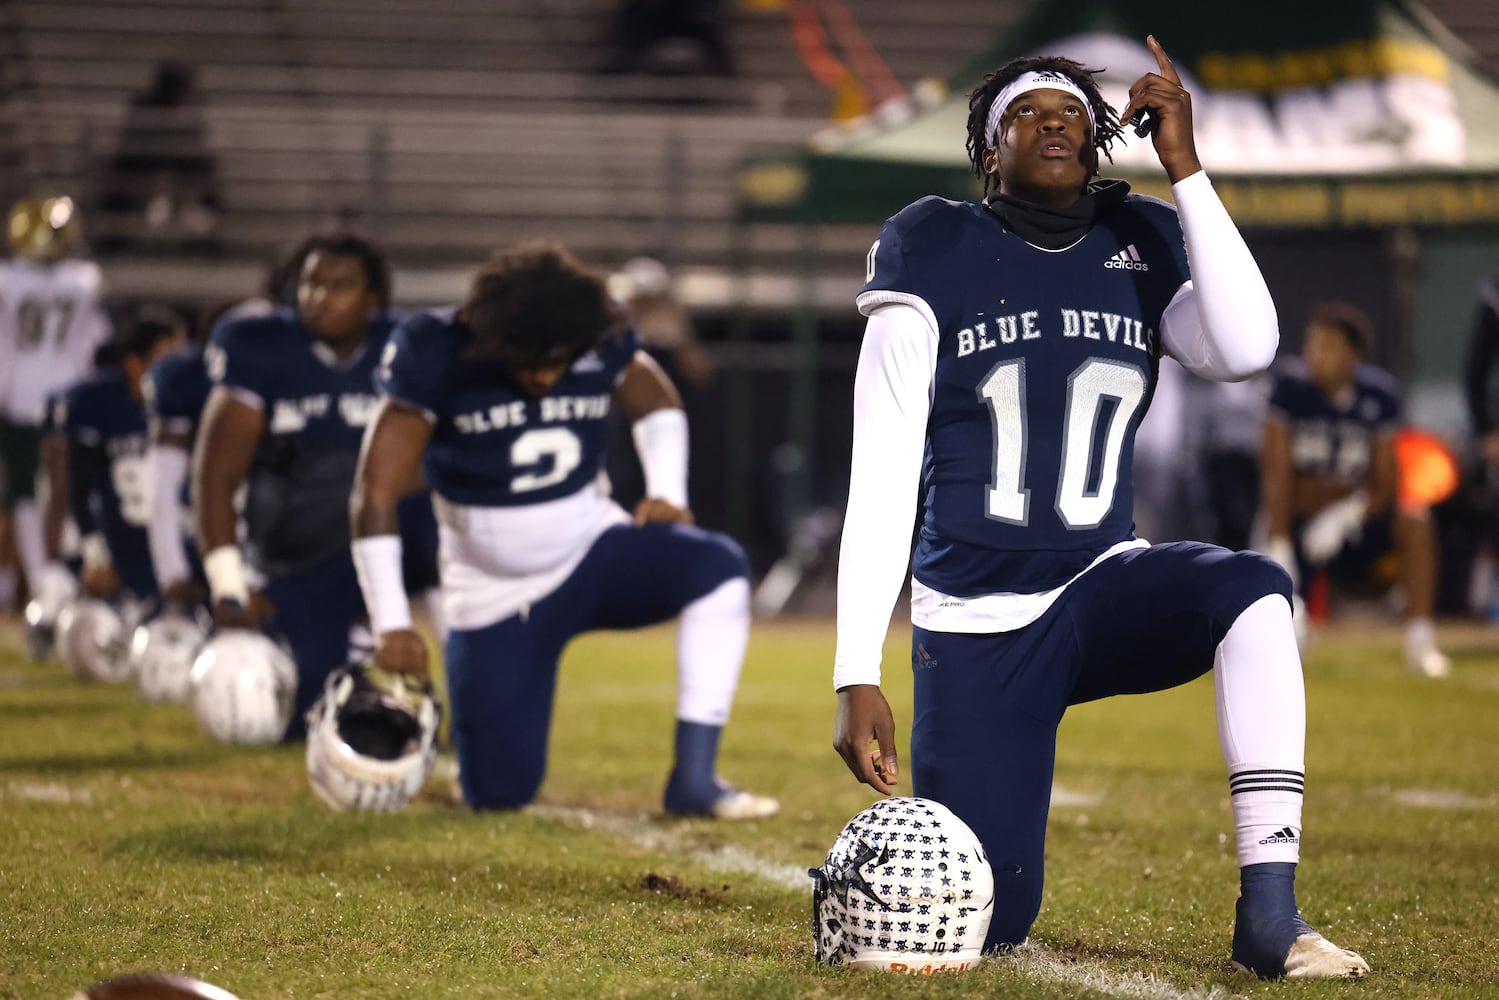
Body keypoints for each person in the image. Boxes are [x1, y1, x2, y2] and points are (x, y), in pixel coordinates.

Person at [829, 39, 1369, 979]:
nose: (1052, 123)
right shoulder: (933, 241)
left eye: (1072, 113)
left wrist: (1188, 170)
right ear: (987, 150)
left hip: (1097, 580)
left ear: (1098, 138)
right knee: (989, 921)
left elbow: (1246, 345)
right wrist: (853, 668)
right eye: (1024, 115)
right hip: (976, 622)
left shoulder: (1144, 235)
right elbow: (878, 470)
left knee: (1251, 592)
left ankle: (1271, 916)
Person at [349, 240, 777, 820]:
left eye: (559, 359)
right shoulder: (436, 348)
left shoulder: (601, 333)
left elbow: (653, 398)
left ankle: (695, 779)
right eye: (531, 360)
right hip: (491, 593)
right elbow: (374, 493)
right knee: (498, 796)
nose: (546, 376)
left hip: (590, 551)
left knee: (719, 567)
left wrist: (667, 491)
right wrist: (393, 622)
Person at [193, 232, 428, 740]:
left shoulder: (409, 347)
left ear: (375, 300)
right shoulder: (260, 346)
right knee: (313, 713)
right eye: (311, 283)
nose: (320, 297)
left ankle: (458, 677)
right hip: (301, 551)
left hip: (397, 534)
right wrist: (231, 585)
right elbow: (215, 477)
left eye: (340, 285)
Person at [1260, 303, 1449, 677]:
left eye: (1328, 345)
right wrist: (1279, 544)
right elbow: (1277, 475)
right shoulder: (1290, 390)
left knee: (1415, 520)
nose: (1316, 354)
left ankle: (1420, 639)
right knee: (1285, 643)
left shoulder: (1379, 395)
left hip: (1359, 518)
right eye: (1312, 344)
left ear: (1354, 355)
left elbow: (1387, 481)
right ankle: (1293, 608)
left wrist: (1346, 513)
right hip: (1297, 521)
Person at [0, 195, 113, 647]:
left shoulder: (7, 280)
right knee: (64, 492)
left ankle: (46, 583)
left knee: (26, 493)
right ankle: (54, 581)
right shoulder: (84, 280)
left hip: (20, 397)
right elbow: (96, 340)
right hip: (70, 394)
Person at [57, 307, 187, 604]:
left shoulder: (190, 407)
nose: (178, 370)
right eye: (167, 358)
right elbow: (81, 484)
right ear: (133, 364)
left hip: (176, 554)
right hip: (117, 554)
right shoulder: (99, 401)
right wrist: (94, 554)